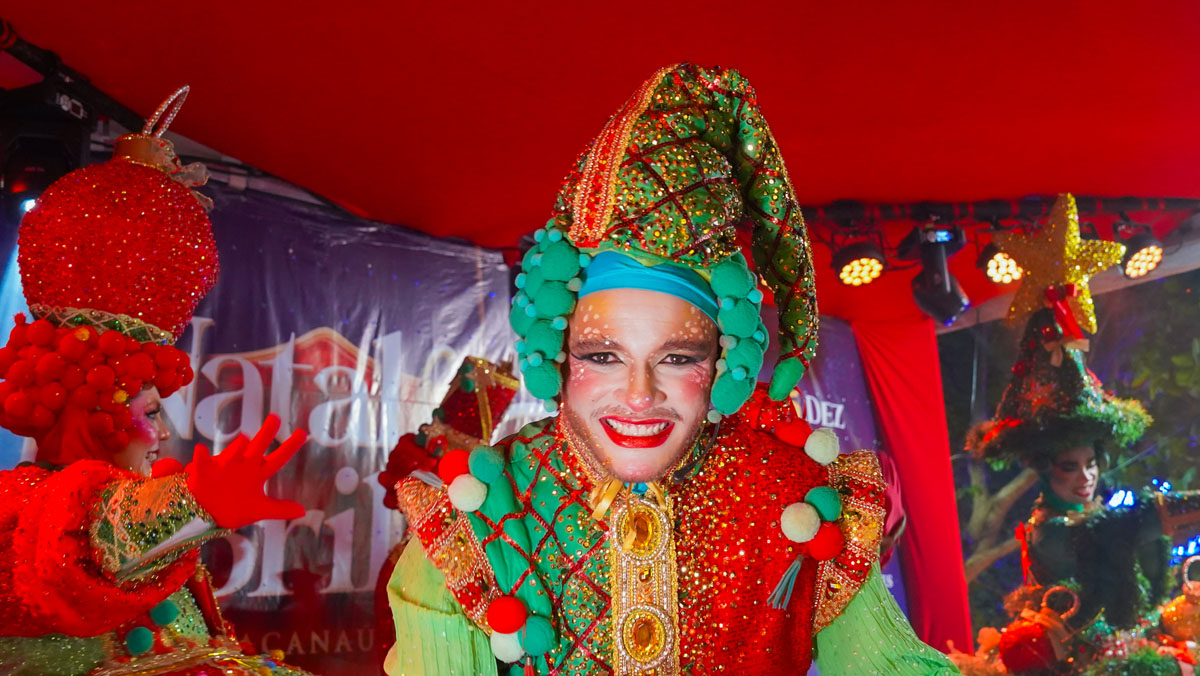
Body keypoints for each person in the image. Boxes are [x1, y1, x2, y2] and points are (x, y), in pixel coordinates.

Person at [385, 63, 959, 675]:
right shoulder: (478, 514)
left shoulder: (794, 496)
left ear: (722, 363)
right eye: (603, 356)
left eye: (678, 357)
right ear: (557, 355)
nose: (639, 395)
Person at [0, 90, 313, 675]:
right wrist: (189, 505)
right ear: (88, 410)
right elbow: (82, 540)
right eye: (149, 410)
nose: (164, 433)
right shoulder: (19, 512)